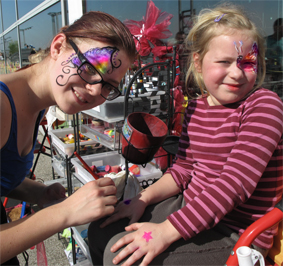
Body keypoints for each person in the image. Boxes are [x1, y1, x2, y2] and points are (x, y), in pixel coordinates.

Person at [88, 4, 283, 266]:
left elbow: (235, 185)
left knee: (122, 256)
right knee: (101, 229)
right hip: (190, 208)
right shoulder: (197, 107)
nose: (237, 72)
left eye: (247, 63)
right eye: (224, 62)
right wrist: (141, 200)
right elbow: (184, 169)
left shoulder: (264, 106)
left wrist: (165, 232)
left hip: (237, 233)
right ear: (199, 63)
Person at [0, 11, 136, 265]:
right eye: (90, 67)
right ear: (58, 47)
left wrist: (39, 193)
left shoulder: (36, 102)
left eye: (109, 85)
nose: (96, 89)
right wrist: (65, 212)